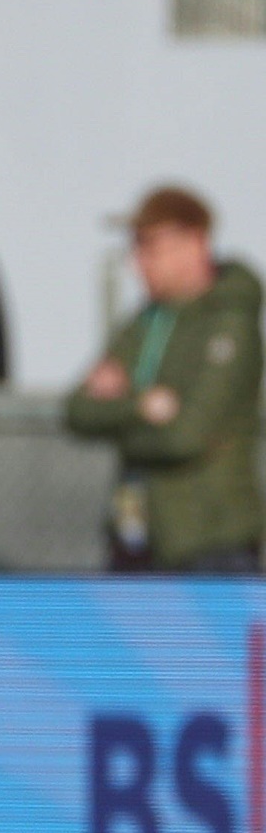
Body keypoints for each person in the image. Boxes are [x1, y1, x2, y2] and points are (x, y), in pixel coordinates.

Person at [65, 185, 263, 572]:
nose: (138, 261)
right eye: (136, 248)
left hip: (211, 545)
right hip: (137, 541)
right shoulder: (145, 323)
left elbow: (184, 435)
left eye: (150, 246)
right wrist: (141, 405)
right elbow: (77, 410)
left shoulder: (230, 324)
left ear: (195, 243)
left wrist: (119, 413)